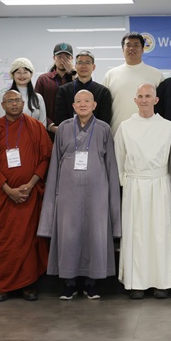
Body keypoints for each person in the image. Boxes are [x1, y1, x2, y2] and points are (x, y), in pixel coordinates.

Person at [38, 90, 121, 300]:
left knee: (95, 234)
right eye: (78, 101)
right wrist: (54, 194)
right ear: (73, 106)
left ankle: (92, 282)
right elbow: (55, 164)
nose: (83, 104)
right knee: (69, 234)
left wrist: (111, 197)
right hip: (68, 192)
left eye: (87, 101)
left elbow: (111, 166)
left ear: (94, 105)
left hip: (97, 192)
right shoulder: (64, 128)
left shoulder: (103, 129)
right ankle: (69, 282)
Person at [0, 90, 52, 301]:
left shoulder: (36, 127)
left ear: (23, 103)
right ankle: (4, 285)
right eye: (9, 101)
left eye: (17, 100)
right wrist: (8, 189)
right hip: (5, 196)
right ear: (3, 105)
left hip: (30, 195)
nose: (14, 104)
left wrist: (30, 185)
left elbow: (46, 158)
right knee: (6, 239)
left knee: (28, 239)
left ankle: (28, 284)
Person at [114, 83, 171, 299]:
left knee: (161, 233)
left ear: (156, 100)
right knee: (137, 234)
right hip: (134, 185)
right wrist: (126, 183)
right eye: (140, 96)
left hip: (160, 184)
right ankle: (137, 283)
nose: (144, 100)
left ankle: (162, 282)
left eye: (148, 96)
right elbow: (118, 158)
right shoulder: (125, 126)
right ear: (135, 100)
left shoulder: (167, 126)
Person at [103, 32, 164, 134]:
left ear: (143, 49)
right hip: (117, 133)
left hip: (149, 133)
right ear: (122, 49)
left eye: (136, 45)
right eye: (128, 45)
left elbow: (162, 107)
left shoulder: (156, 75)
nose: (132, 48)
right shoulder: (111, 75)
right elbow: (104, 107)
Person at [53, 50, 113, 126]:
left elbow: (104, 121)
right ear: (75, 66)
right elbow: (61, 119)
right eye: (80, 63)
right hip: (69, 132)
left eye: (87, 63)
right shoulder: (64, 90)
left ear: (93, 67)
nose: (83, 66)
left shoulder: (103, 92)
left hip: (96, 132)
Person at [35, 42, 76, 137]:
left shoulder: (75, 80)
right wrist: (51, 126)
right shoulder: (43, 80)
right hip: (48, 132)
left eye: (67, 57)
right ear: (54, 58)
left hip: (73, 131)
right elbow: (37, 106)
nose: (63, 60)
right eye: (59, 57)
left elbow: (85, 95)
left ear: (72, 59)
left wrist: (74, 72)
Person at [0, 58, 47, 127]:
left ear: (31, 74)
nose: (22, 75)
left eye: (25, 72)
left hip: (35, 134)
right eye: (18, 72)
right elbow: (1, 123)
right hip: (10, 133)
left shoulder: (38, 98)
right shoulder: (4, 96)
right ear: (13, 75)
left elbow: (43, 124)